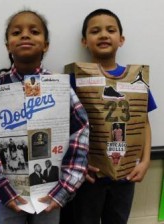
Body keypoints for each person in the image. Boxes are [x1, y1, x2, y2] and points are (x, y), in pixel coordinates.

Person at [0, 10, 89, 224]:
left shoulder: (60, 88)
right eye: (17, 32)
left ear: (46, 45)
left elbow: (80, 134)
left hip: (51, 192)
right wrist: (1, 188)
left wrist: (64, 189)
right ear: (8, 45)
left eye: (34, 31)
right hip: (8, 193)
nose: (25, 35)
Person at [61, 9, 157, 224]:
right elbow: (63, 124)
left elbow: (144, 122)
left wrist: (146, 160)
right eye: (96, 31)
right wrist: (75, 163)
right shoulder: (74, 78)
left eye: (110, 30)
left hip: (126, 173)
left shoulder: (136, 79)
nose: (104, 35)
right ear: (84, 41)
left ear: (121, 40)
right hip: (88, 174)